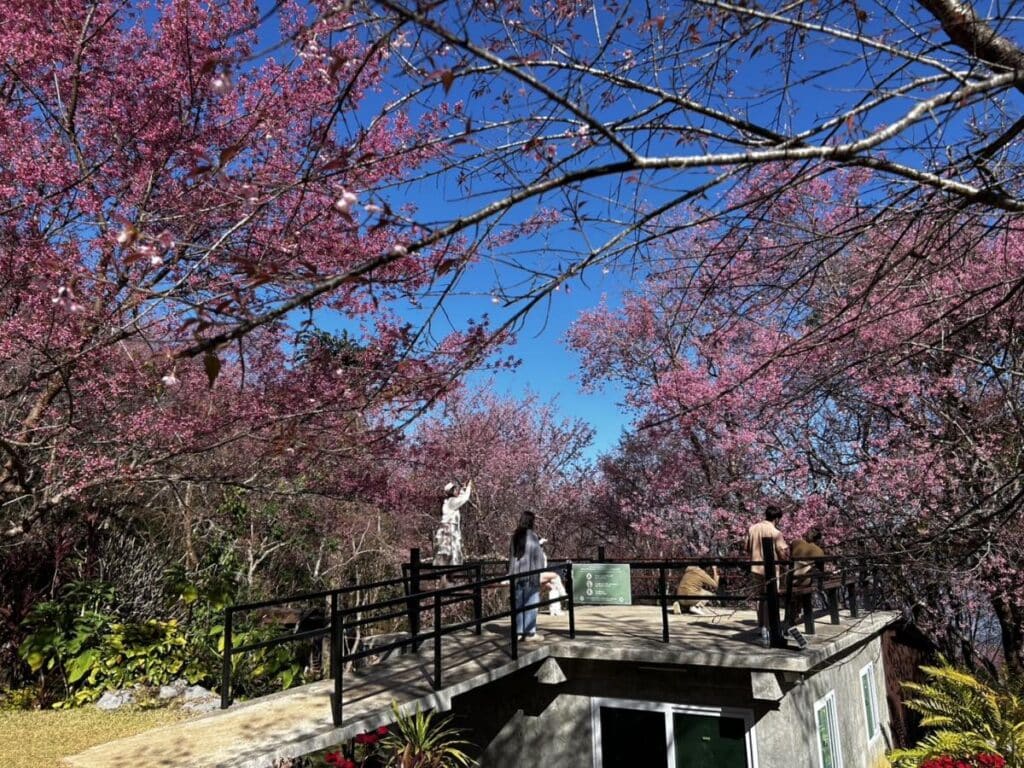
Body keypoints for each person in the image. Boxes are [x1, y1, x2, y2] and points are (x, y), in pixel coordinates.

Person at [746, 505, 789, 629]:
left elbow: (746, 547)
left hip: (755, 567)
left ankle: (761, 625)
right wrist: (785, 560)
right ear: (776, 518)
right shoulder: (776, 533)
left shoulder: (752, 529)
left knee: (760, 597)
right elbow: (781, 552)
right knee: (771, 596)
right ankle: (769, 625)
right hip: (771, 570)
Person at [508, 510, 546, 641]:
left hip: (516, 575)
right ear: (531, 521)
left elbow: (511, 557)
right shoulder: (533, 536)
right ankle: (530, 633)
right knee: (530, 602)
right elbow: (538, 557)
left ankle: (518, 632)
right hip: (530, 576)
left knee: (518, 604)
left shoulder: (515, 536)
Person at [433, 479, 472, 568]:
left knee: (450, 551)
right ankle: (447, 575)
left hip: (449, 528)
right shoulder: (452, 502)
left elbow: (460, 498)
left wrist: (463, 489)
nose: (456, 491)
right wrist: (469, 487)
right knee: (449, 550)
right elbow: (464, 499)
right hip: (449, 529)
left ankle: (448, 576)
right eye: (455, 490)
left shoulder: (449, 502)